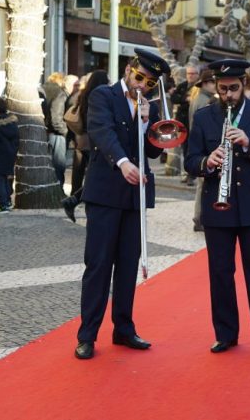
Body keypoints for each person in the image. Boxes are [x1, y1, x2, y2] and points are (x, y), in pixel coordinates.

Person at [185, 58, 250, 354]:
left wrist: (248, 143)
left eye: (233, 88)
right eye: (222, 89)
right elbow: (191, 161)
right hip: (218, 207)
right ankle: (225, 334)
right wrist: (208, 161)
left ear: (245, 84)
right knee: (220, 273)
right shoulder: (204, 117)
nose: (227, 95)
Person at [74, 49, 166, 360]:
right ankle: (87, 335)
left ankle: (123, 329)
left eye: (149, 83)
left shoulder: (150, 107)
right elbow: (102, 132)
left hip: (134, 196)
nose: (142, 85)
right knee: (99, 265)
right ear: (128, 69)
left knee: (127, 266)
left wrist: (147, 123)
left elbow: (153, 152)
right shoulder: (103, 95)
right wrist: (123, 162)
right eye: (139, 77)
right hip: (105, 193)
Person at [62, 70, 110, 222]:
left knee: (80, 174)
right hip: (94, 141)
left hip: (81, 139)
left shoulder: (83, 95)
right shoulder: (101, 96)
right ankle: (76, 201)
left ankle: (74, 199)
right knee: (97, 176)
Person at [189, 68, 218, 232]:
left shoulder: (200, 97)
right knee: (202, 185)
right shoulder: (203, 100)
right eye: (213, 82)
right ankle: (199, 218)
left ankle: (199, 217)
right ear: (206, 83)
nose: (216, 85)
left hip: (200, 145)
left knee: (201, 184)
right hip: (203, 147)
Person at [171, 64, 200, 186]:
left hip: (195, 121)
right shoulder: (182, 86)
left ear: (197, 75)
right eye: (188, 73)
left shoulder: (199, 86)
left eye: (193, 73)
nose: (190, 76)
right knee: (184, 148)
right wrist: (185, 99)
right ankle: (187, 173)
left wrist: (184, 99)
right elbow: (174, 98)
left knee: (193, 149)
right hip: (183, 121)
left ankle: (192, 175)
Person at [42, 71, 69, 187]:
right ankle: (58, 188)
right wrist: (66, 132)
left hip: (43, 132)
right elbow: (56, 120)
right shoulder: (59, 93)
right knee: (58, 165)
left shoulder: (41, 89)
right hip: (56, 134)